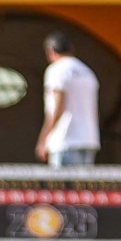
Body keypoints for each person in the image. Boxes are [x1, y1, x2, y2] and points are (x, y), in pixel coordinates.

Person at [37, 32, 100, 167]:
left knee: (63, 181)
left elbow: (57, 107)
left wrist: (44, 138)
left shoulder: (56, 70)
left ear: (50, 51)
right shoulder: (87, 72)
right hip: (89, 140)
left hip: (65, 139)